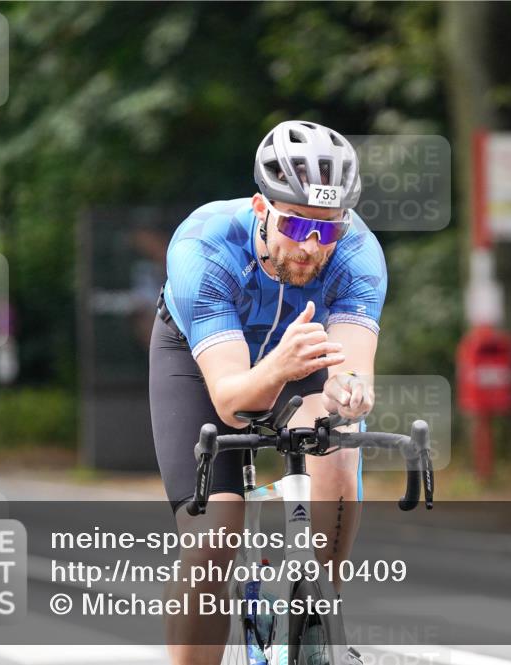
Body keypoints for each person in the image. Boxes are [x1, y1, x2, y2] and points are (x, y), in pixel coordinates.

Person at [149, 120, 385, 665]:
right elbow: (234, 403)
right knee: (215, 535)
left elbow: (350, 372)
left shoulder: (358, 255)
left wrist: (349, 395)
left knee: (337, 454)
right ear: (261, 208)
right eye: (295, 224)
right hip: (202, 362)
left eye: (326, 231)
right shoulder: (203, 248)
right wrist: (276, 364)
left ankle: (316, 621)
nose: (309, 246)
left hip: (304, 351)